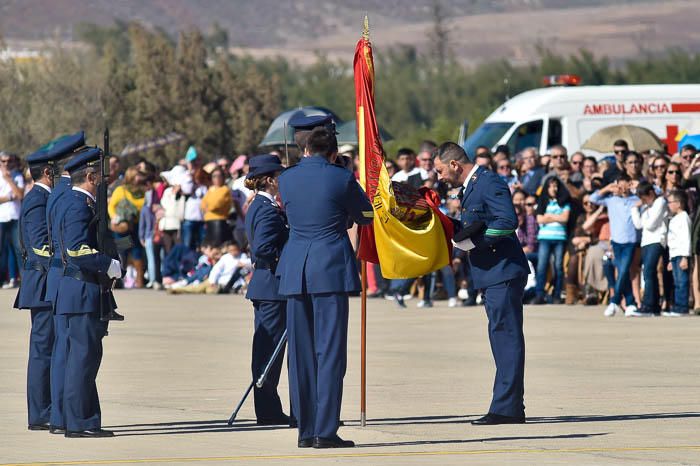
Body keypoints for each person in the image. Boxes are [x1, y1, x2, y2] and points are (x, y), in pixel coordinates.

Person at [278, 116, 373, 448]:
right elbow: (366, 216)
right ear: (333, 152)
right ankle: (325, 430)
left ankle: (305, 430)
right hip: (329, 266)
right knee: (330, 352)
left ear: (305, 148)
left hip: (295, 268)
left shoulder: (286, 179)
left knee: (300, 355)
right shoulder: (341, 178)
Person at [433, 142, 529, 425]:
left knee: (506, 338)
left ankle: (506, 408)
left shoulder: (487, 181)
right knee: (501, 338)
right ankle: (510, 405)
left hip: (503, 268)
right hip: (492, 272)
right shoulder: (473, 185)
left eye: (440, 170)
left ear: (454, 165)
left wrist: (476, 243)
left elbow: (508, 222)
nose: (439, 177)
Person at [52, 148, 122, 438]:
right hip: (83, 290)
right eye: (100, 177)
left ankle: (78, 419)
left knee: (81, 359)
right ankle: (80, 422)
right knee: (84, 359)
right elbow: (77, 249)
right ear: (91, 177)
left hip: (77, 290)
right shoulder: (79, 205)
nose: (104, 181)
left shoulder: (73, 201)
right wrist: (109, 264)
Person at [12, 144, 70, 431]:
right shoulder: (36, 199)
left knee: (48, 348)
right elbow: (39, 248)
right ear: (48, 172)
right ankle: (40, 412)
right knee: (43, 350)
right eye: (57, 171)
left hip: (48, 283)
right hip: (43, 283)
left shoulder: (43, 197)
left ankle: (48, 408)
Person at [243, 154, 293, 426]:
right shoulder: (264, 208)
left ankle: (268, 409)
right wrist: (283, 263)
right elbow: (262, 248)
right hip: (271, 287)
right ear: (271, 180)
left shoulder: (264, 205)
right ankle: (267, 411)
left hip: (267, 287)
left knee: (267, 350)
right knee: (268, 351)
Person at [590, 174, 641, 317]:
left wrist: (638, 187)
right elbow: (592, 199)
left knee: (624, 271)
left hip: (630, 242)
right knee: (622, 272)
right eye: (620, 185)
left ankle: (614, 301)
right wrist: (606, 188)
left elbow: (653, 196)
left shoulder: (635, 199)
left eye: (626, 184)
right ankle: (631, 303)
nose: (623, 188)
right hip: (616, 242)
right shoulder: (611, 200)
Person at [631, 182, 668, 316]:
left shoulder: (660, 202)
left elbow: (651, 224)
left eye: (644, 198)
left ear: (651, 193)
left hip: (657, 240)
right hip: (646, 242)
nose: (643, 201)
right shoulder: (647, 206)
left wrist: (645, 216)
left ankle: (648, 305)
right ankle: (655, 306)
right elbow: (639, 225)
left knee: (648, 272)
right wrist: (634, 209)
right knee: (650, 273)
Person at [532, 177, 570, 305]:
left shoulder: (564, 202)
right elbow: (539, 219)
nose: (553, 189)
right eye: (550, 186)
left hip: (560, 238)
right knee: (542, 266)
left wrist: (549, 216)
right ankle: (539, 294)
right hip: (545, 238)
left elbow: (565, 219)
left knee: (558, 267)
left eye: (555, 186)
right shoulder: (542, 201)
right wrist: (556, 217)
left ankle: (557, 294)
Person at [0, 152, 26, 288]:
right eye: (3, 161)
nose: (7, 164)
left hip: (15, 216)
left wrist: (9, 180)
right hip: (1, 218)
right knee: (2, 249)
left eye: (9, 161)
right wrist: (10, 197)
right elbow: (13, 196)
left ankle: (18, 278)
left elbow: (20, 194)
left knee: (17, 248)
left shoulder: (16, 176)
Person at [665, 190, 692, 316]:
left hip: (681, 255)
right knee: (677, 282)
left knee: (682, 282)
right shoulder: (674, 219)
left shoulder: (684, 217)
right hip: (675, 255)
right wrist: (670, 259)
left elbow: (686, 238)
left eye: (670, 202)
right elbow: (672, 240)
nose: (668, 205)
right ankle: (677, 306)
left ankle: (682, 307)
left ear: (679, 203)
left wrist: (685, 257)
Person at [201, 166, 233, 246]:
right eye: (214, 176)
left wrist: (209, 207)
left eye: (219, 176)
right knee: (209, 247)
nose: (217, 178)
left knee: (217, 246)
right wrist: (208, 207)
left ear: (223, 177)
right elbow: (202, 205)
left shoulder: (225, 189)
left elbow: (215, 205)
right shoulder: (210, 189)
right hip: (208, 222)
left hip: (219, 222)